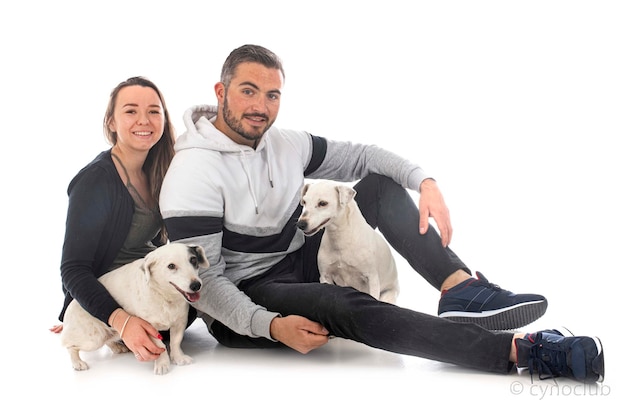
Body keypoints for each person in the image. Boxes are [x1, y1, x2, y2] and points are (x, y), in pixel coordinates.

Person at [159, 45, 604, 382]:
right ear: (221, 92)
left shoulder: (285, 143)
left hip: (297, 256)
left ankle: (460, 289)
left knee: (377, 186)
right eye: (248, 91)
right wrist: (270, 326)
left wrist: (424, 181)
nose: (261, 106)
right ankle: (521, 352)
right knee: (345, 305)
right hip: (250, 294)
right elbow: (207, 285)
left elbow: (363, 157)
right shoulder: (192, 172)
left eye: (272, 94)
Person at [51, 76, 183, 363]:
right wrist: (119, 319)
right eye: (131, 111)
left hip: (147, 281)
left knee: (198, 298)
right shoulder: (96, 180)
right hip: (116, 294)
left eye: (153, 111)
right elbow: (73, 269)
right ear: (111, 122)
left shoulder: (160, 169)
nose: (144, 120)